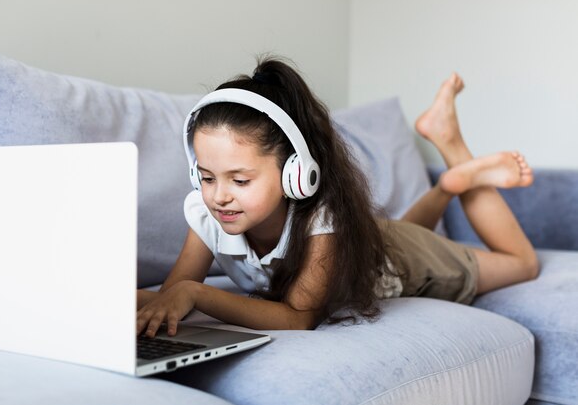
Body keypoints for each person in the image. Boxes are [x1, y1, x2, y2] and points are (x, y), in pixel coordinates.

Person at [136, 58, 539, 338]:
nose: (219, 196)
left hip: (401, 264)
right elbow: (172, 296)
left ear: (296, 174)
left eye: (240, 181)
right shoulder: (205, 214)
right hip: (371, 242)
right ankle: (446, 186)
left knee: (522, 263)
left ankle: (454, 150)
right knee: (394, 234)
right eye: (206, 177)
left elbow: (298, 318)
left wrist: (200, 293)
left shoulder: (321, 218)